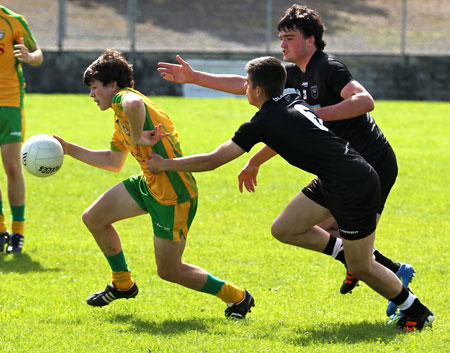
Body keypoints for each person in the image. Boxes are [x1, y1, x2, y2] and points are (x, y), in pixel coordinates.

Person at [156, 4, 414, 318]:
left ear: (311, 40)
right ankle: (378, 269)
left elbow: (364, 100)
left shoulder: (328, 67)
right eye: (281, 38)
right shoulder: (290, 75)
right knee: (311, 230)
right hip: (340, 166)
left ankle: (395, 278)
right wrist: (196, 77)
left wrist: (316, 113)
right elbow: (248, 87)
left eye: (289, 38)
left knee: (339, 238)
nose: (282, 45)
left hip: (371, 161)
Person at [53, 49, 254, 319]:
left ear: (112, 85)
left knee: (170, 271)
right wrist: (68, 149)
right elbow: (113, 161)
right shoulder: (119, 116)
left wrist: (137, 136)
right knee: (94, 218)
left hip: (173, 192)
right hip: (149, 183)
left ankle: (238, 297)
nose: (91, 95)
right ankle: (122, 284)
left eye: (94, 88)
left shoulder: (125, 98)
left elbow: (134, 106)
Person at [0, 6, 44, 254]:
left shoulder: (13, 21)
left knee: (13, 166)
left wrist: (30, 56)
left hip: (9, 102)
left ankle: (17, 232)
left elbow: (39, 54)